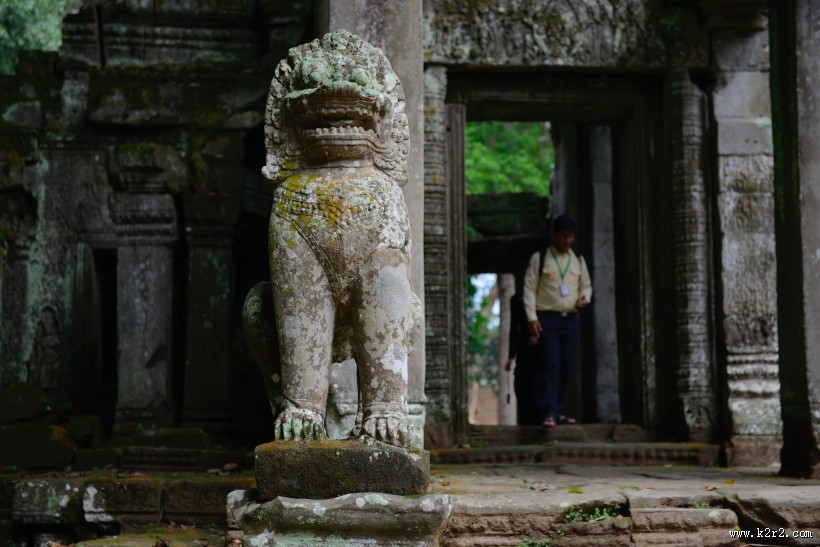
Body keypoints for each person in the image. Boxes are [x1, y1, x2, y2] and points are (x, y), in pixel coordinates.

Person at [523, 215, 592, 428]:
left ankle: (558, 409)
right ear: (554, 235)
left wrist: (584, 297)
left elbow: (586, 285)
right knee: (551, 363)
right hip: (547, 319)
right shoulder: (540, 258)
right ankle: (548, 412)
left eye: (570, 236)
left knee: (566, 364)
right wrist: (531, 318)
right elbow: (529, 288)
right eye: (563, 236)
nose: (567, 241)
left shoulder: (578, 259)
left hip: (570, 319)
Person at [504, 294, 541, 425]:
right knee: (522, 384)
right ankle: (525, 420)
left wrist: (539, 336)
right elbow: (514, 328)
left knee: (537, 385)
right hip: (524, 350)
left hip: (543, 351)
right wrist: (511, 356)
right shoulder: (517, 300)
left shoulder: (546, 296)